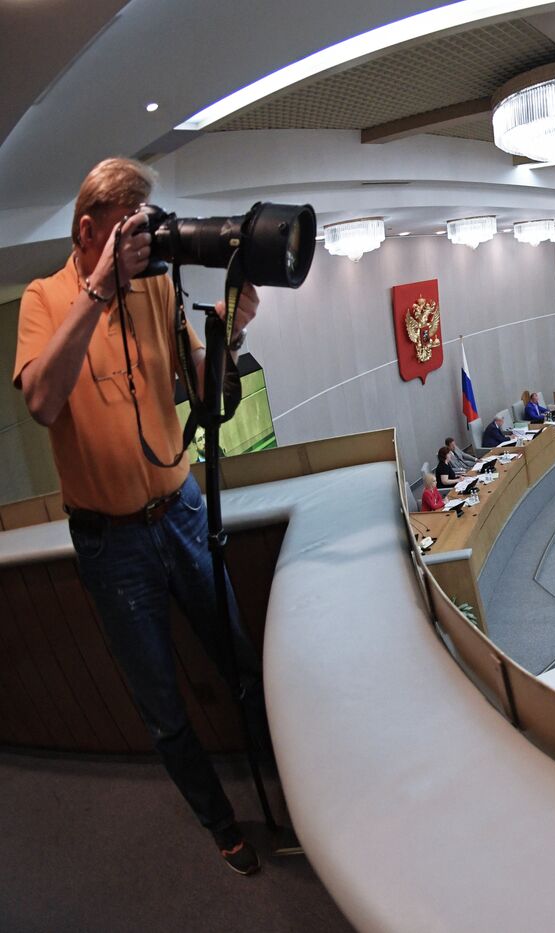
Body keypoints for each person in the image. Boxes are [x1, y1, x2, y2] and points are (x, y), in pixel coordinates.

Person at [14, 157, 266, 873]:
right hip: (111, 544)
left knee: (239, 657)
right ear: (90, 229)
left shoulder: (156, 292)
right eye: (132, 233)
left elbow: (205, 392)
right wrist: (98, 290)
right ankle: (222, 823)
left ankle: (285, 778)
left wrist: (228, 332)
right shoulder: (43, 297)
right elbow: (41, 402)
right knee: (161, 700)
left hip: (181, 509)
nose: (145, 248)